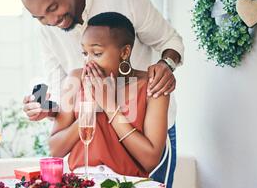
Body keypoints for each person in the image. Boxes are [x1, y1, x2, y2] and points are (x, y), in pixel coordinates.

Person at [19, 0, 183, 188]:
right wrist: (47, 109)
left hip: (147, 123)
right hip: (92, 145)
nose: (51, 20)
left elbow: (171, 41)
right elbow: (60, 93)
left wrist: (165, 65)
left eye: (53, 7)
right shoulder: (50, 34)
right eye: (40, 17)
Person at [49, 12, 169, 178]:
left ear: (125, 52)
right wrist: (90, 109)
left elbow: (150, 160)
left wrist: (110, 107)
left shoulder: (152, 85)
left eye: (97, 53)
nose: (88, 62)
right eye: (85, 53)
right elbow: (55, 150)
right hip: (80, 185)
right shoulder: (75, 79)